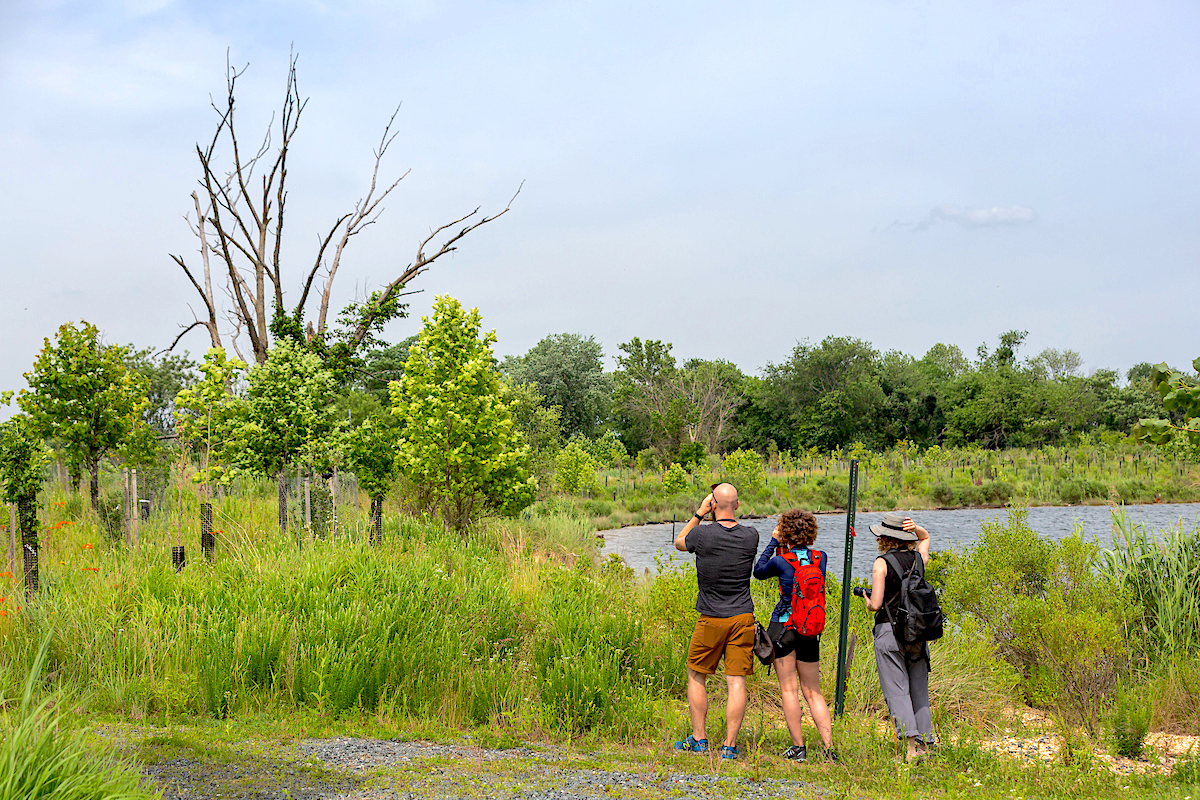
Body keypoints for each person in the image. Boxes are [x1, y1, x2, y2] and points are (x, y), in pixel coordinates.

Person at [671, 483, 759, 761]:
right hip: (742, 617)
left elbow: (679, 542)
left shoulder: (702, 533)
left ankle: (699, 739)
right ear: (737, 504)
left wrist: (699, 513)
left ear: (712, 505)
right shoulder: (751, 536)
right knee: (736, 682)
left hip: (710, 616)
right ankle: (729, 746)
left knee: (697, 676)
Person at [753, 509, 836, 762]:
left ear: (785, 532)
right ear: (811, 532)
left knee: (789, 690)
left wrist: (773, 542)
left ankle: (799, 748)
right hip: (810, 629)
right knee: (813, 691)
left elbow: (758, 571)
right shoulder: (820, 558)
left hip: (784, 628)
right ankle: (828, 748)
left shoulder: (781, 561)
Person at [862, 512, 934, 761]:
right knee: (919, 690)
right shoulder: (918, 559)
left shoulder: (881, 563)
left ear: (884, 538)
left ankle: (911, 749)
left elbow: (877, 604)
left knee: (897, 692)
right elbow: (925, 539)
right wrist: (917, 528)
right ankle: (926, 745)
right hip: (917, 632)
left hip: (889, 632)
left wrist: (867, 600)